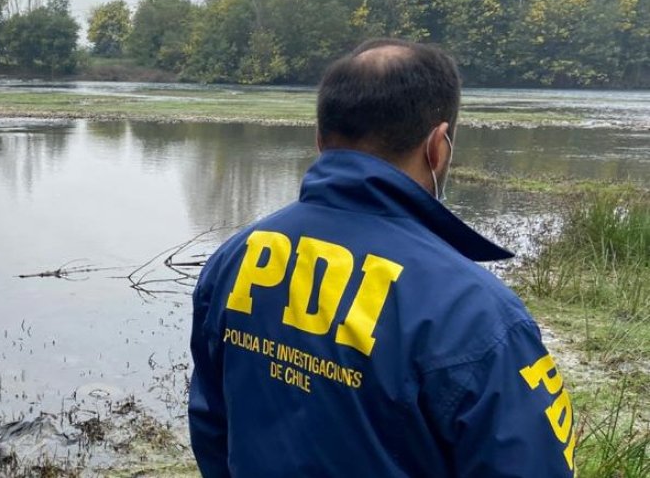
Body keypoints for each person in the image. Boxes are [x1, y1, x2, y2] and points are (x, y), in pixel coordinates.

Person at [188, 38, 575, 477]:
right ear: (438, 146)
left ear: (320, 140)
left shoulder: (235, 260)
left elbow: (212, 427)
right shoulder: (477, 315)